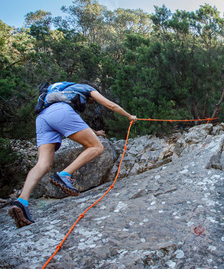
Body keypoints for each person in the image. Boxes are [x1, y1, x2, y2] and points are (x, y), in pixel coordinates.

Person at [8, 82, 137, 228]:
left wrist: (95, 132)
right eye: (92, 101)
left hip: (43, 117)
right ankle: (65, 175)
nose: (91, 102)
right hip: (61, 112)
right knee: (96, 147)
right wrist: (129, 116)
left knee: (43, 164)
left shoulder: (62, 89)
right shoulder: (88, 89)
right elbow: (111, 105)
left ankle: (21, 201)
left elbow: (71, 121)